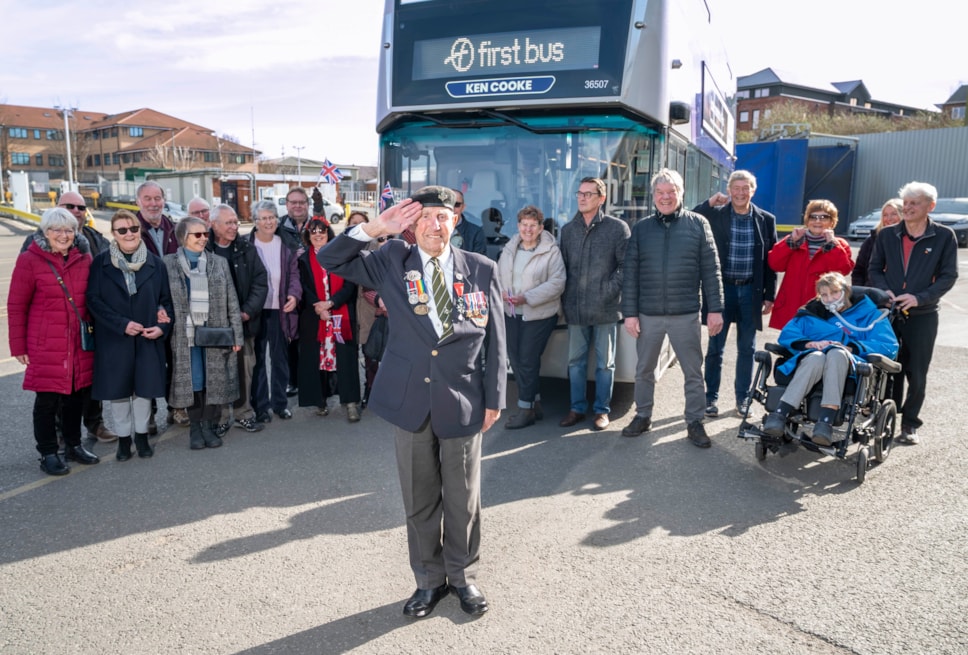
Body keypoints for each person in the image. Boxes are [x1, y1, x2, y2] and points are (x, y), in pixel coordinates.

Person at [318, 186, 506, 619]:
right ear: (411, 224)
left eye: (441, 217)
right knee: (419, 499)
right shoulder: (390, 261)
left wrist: (494, 397)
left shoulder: (481, 268)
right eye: (423, 217)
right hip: (411, 400)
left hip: (463, 399)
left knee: (463, 499)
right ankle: (428, 581)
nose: (433, 225)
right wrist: (375, 227)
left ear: (454, 221)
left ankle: (462, 577)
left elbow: (497, 339)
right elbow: (332, 259)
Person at [620, 169, 724, 448]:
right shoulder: (641, 229)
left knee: (693, 371)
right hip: (648, 313)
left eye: (671, 192)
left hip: (686, 312)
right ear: (653, 196)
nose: (665, 197)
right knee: (643, 370)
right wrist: (629, 313)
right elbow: (630, 274)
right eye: (660, 193)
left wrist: (715, 309)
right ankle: (643, 416)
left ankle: (695, 421)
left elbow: (711, 270)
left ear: (681, 193)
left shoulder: (698, 224)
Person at [20, 191, 118, 443]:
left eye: (81, 207)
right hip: (49, 339)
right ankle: (53, 445)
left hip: (84, 334)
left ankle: (87, 431)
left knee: (84, 388)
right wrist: (19, 345)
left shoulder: (92, 244)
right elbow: (18, 303)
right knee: (50, 396)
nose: (76, 210)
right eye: (69, 206)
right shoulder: (31, 252)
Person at [8, 207, 99, 475]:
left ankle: (73, 445)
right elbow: (16, 306)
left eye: (69, 230)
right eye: (56, 230)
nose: (63, 235)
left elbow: (93, 299)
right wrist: (19, 347)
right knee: (47, 402)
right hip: (46, 344)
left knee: (75, 398)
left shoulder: (84, 259)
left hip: (78, 343)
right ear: (45, 233)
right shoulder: (30, 260)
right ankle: (48, 452)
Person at [869, 181, 959, 444]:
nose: (907, 208)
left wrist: (919, 298)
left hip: (924, 315)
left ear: (930, 206)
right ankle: (886, 418)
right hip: (890, 313)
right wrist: (886, 292)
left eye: (914, 203)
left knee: (916, 372)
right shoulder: (887, 235)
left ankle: (910, 424)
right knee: (887, 368)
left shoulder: (944, 236)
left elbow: (948, 276)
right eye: (906, 203)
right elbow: (874, 269)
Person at [762, 272, 899, 446]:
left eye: (834, 292)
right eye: (824, 295)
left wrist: (851, 348)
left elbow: (888, 345)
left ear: (846, 291)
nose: (829, 298)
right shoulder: (812, 311)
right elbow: (789, 334)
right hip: (811, 361)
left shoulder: (870, 315)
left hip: (849, 365)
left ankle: (825, 421)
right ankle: (780, 414)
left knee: (836, 353)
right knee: (816, 357)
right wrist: (810, 344)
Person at [87, 210, 173, 460]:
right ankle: (124, 440)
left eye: (133, 229)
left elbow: (166, 302)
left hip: (147, 337)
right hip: (115, 338)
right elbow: (94, 301)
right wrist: (121, 324)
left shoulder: (156, 264)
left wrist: (162, 327)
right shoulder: (101, 264)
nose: (129, 234)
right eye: (122, 230)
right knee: (119, 393)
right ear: (113, 234)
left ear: (140, 230)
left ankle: (142, 436)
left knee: (144, 391)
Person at [693, 170, 777, 417]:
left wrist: (769, 294)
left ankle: (742, 399)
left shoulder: (766, 219)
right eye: (736, 188)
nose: (741, 193)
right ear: (729, 190)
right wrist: (709, 202)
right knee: (715, 348)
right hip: (721, 290)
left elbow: (770, 262)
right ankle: (710, 399)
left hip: (751, 291)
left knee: (747, 349)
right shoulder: (715, 215)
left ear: (753, 190)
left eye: (746, 188)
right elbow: (690, 217)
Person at [163, 217, 244, 449]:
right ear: (182, 237)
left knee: (213, 382)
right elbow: (161, 298)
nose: (203, 239)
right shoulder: (168, 263)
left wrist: (236, 335)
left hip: (215, 332)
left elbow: (232, 299)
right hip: (184, 335)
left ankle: (209, 427)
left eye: (205, 234)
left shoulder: (218, 262)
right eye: (197, 235)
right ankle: (195, 429)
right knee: (193, 382)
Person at [558, 176, 630, 431]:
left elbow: (626, 267)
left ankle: (602, 411)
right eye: (579, 193)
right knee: (575, 363)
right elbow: (562, 269)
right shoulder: (567, 230)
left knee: (605, 364)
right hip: (575, 309)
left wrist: (607, 291)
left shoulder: (617, 228)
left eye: (588, 194)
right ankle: (577, 408)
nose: (582, 197)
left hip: (606, 308)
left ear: (601, 198)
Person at [497, 205, 566, 429]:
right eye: (524, 225)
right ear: (518, 226)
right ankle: (535, 403)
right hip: (511, 312)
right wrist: (502, 292)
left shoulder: (551, 250)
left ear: (540, 227)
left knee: (527, 359)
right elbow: (499, 275)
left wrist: (527, 297)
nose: (527, 229)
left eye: (532, 225)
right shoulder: (509, 248)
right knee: (516, 359)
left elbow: (557, 284)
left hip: (539, 314)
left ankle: (525, 409)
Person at [206, 204, 268, 436]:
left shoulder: (246, 248)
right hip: (215, 327)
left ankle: (244, 414)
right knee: (219, 373)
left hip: (244, 323)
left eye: (235, 222)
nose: (234, 227)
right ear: (214, 225)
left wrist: (247, 312)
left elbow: (260, 282)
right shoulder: (206, 249)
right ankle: (221, 418)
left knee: (245, 371)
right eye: (228, 223)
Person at [297, 217, 362, 421]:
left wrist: (331, 303)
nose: (318, 234)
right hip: (315, 316)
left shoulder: (342, 256)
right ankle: (320, 400)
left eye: (322, 230)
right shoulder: (303, 259)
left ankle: (350, 402)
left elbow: (350, 285)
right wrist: (318, 306)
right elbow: (303, 286)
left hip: (340, 312)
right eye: (313, 231)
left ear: (328, 233)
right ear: (308, 235)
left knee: (346, 359)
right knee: (318, 358)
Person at [249, 200, 302, 422]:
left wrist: (294, 295)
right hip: (256, 312)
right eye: (264, 218)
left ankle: (280, 404)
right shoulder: (247, 245)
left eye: (272, 217)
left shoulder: (286, 244)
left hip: (280, 310)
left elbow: (294, 275)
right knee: (258, 361)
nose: (269, 222)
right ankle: (260, 407)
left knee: (280, 359)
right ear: (255, 222)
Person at [767, 200, 854, 329]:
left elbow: (842, 271)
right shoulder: (795, 239)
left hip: (823, 305)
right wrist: (791, 242)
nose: (817, 221)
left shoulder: (839, 244)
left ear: (832, 222)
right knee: (792, 343)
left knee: (818, 343)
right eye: (813, 217)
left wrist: (832, 246)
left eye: (824, 217)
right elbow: (775, 264)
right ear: (807, 220)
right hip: (792, 304)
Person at [280, 187, 312, 397]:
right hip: (288, 289)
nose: (297, 206)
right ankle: (291, 380)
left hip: (312, 289)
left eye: (301, 202)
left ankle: (310, 379)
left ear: (307, 204)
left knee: (311, 337)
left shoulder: (318, 225)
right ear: (287, 204)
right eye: (293, 202)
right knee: (289, 338)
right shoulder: (278, 227)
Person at [852, 199, 901, 286]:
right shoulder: (871, 240)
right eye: (885, 215)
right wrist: (860, 292)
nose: (889, 218)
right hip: (872, 293)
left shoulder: (910, 240)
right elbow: (859, 270)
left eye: (894, 214)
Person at [450, 189, 487, 255]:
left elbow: (479, 262)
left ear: (463, 207)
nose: (452, 208)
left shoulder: (476, 233)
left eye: (456, 204)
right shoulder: (431, 229)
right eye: (448, 204)